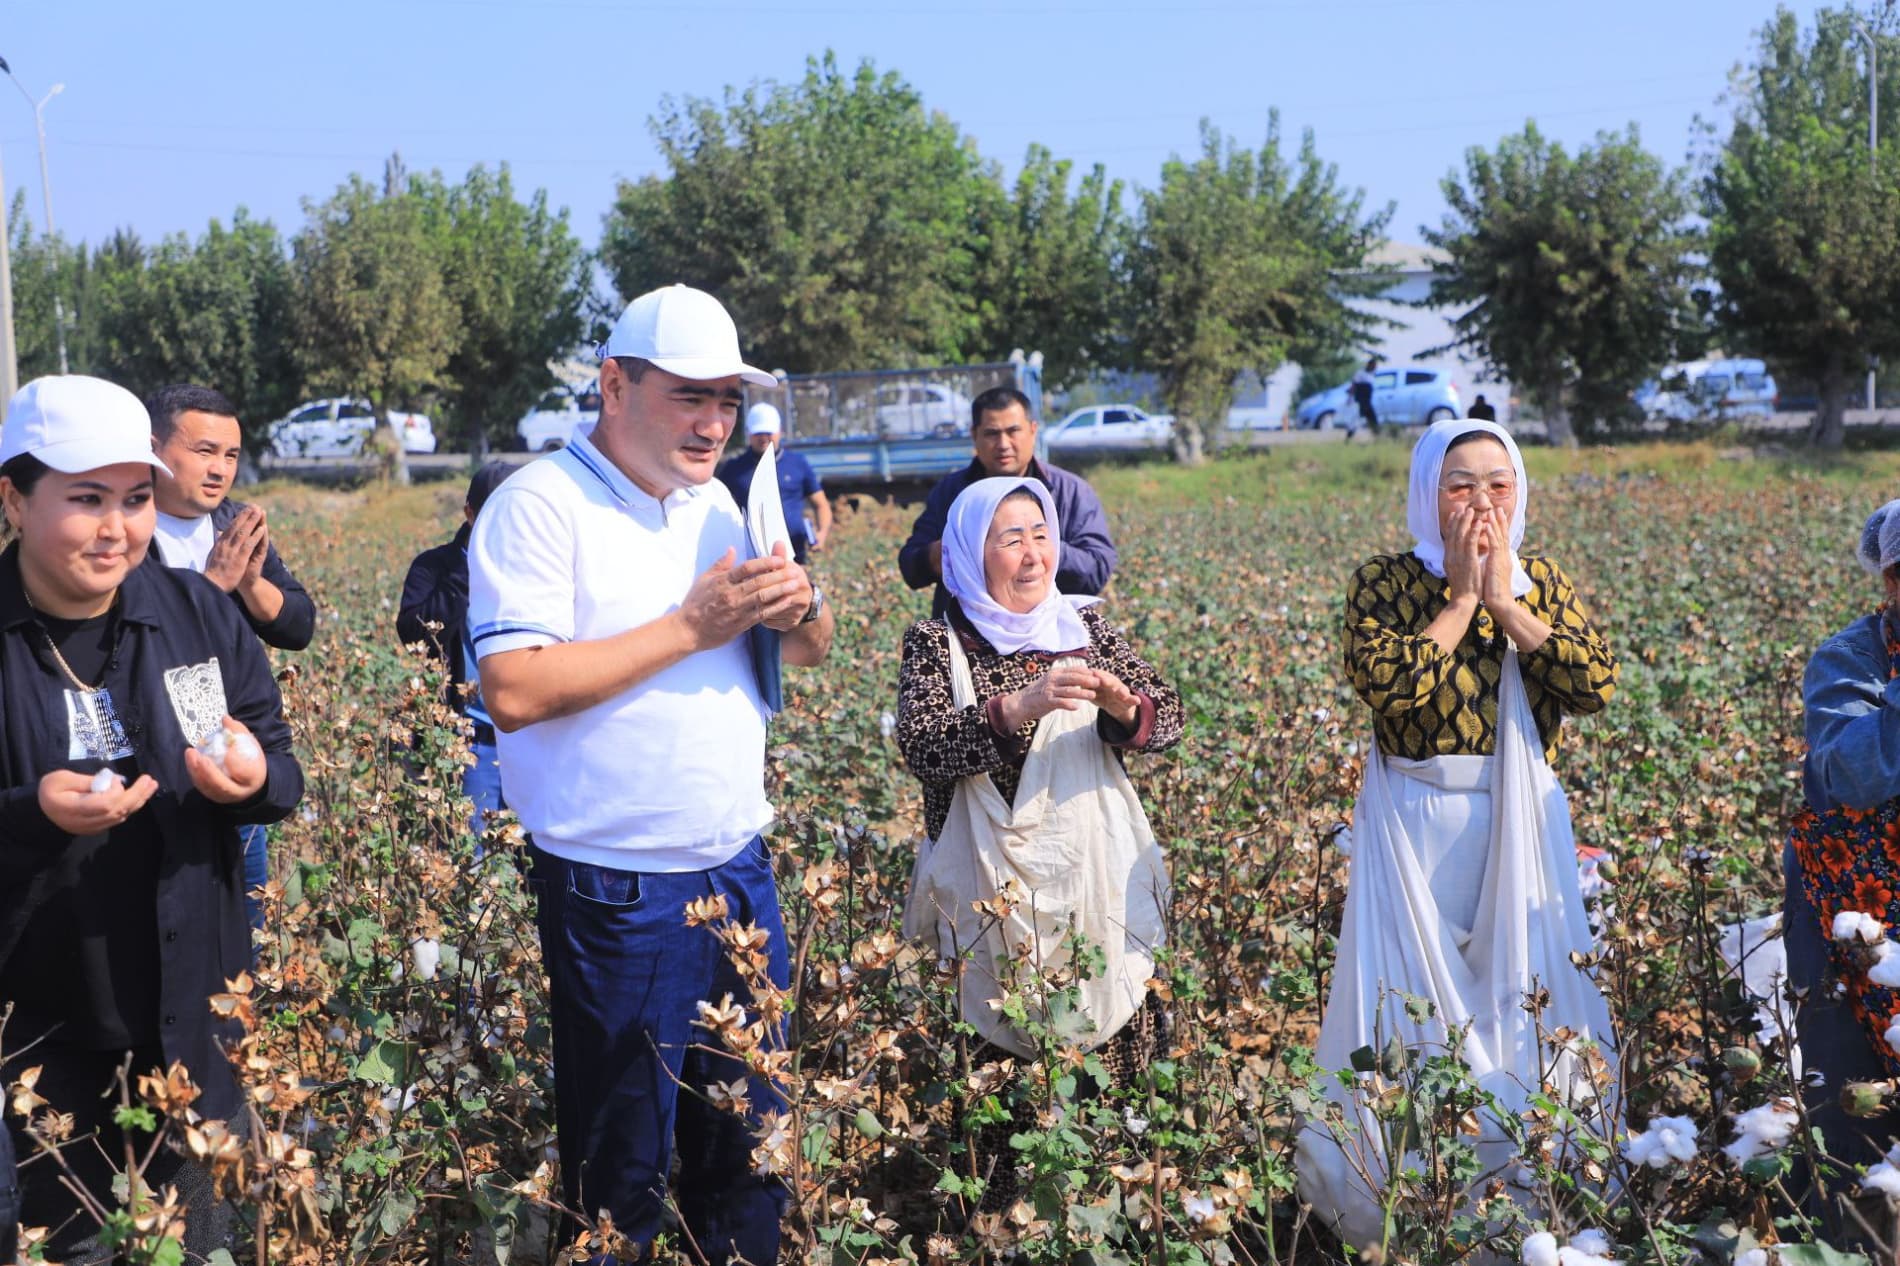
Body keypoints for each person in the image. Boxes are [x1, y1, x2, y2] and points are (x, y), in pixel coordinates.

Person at [468, 283, 834, 1264]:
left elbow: (803, 653)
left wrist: (799, 604)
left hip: (736, 870)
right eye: (689, 396)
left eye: (726, 399)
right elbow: (512, 686)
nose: (714, 421)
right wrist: (689, 626)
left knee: (751, 1151)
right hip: (615, 885)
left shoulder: (717, 504)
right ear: (614, 384)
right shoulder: (540, 505)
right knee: (620, 1169)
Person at [0, 376, 303, 1261]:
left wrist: (250, 779)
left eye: (135, 500)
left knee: (206, 1237)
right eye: (85, 500)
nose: (117, 529)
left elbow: (281, 765)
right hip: (48, 1018)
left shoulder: (197, 611)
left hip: (198, 1008)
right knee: (74, 1243)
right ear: (13, 497)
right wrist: (31, 810)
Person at [1297, 418, 1619, 1250]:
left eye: (1498, 484)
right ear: (1424, 493)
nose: (1482, 503)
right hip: (1416, 822)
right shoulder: (1384, 582)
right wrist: (1464, 601)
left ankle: (1535, 1190)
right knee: (1412, 1006)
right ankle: (1400, 1196)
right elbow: (1389, 687)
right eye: (1460, 485)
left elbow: (1593, 683)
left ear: (1522, 493)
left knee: (1526, 1000)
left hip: (1521, 814)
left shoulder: (1541, 579)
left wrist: (1508, 601)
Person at [895, 476, 1182, 1208]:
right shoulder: (938, 644)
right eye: (1008, 538)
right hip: (986, 887)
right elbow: (924, 749)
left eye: (1040, 534)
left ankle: (1101, 1212)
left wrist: (1125, 706)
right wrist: (1015, 708)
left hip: (1090, 876)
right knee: (995, 1064)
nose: (1031, 554)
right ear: (969, 550)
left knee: (1107, 1048)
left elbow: (1169, 721)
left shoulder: (1087, 627)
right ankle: (1002, 1224)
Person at [147, 383, 315, 936]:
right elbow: (134, 645)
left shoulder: (233, 522)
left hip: (236, 760)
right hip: (156, 771)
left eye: (231, 455)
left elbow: (297, 624)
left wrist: (248, 584)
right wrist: (211, 587)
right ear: (154, 448)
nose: (220, 469)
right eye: (203, 452)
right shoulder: (128, 531)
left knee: (243, 942)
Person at [1784, 498, 1900, 1246]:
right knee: (1857, 1110)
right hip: (1853, 920)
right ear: (1889, 580)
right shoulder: (1850, 661)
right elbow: (1852, 778)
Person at [898, 386, 1117, 616]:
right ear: (974, 435)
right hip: (965, 638)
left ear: (1033, 431)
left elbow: (1096, 570)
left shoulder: (1071, 492)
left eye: (1013, 431)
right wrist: (949, 551)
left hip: (1049, 636)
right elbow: (911, 568)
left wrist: (1034, 544)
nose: (1003, 444)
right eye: (992, 433)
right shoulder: (950, 492)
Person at [396, 461, 517, 836]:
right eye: (495, 516)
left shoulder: (538, 568)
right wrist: (469, 570)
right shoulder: (434, 568)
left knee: (533, 872)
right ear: (470, 514)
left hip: (530, 743)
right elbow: (413, 633)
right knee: (472, 863)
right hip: (468, 745)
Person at [716, 403, 831, 565]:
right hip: (751, 558)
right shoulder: (733, 469)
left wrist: (822, 533)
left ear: (780, 431)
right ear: (748, 433)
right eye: (758, 433)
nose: (764, 437)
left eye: (768, 432)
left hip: (795, 556)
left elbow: (821, 504)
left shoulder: (797, 463)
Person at [1348, 357, 1380, 437]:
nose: (1374, 368)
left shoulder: (1371, 375)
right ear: (1369, 365)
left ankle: (1377, 435)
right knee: (1355, 420)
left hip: (1367, 401)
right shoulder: (1360, 373)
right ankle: (1349, 435)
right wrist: (1350, 398)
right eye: (1373, 366)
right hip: (1360, 401)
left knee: (1373, 419)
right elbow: (1354, 385)